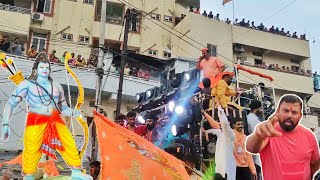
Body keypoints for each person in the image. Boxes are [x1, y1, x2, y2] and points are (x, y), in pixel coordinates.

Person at [0, 53, 91, 179]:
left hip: (55, 119)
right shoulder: (27, 85)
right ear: (36, 70)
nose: (45, 70)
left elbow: (63, 108)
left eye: (47, 68)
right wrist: (5, 124)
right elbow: (11, 104)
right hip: (36, 120)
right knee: (32, 149)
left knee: (68, 142)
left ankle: (76, 171)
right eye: (42, 67)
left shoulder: (57, 87)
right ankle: (29, 175)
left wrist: (73, 112)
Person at [246, 94, 320, 180]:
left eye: (294, 112)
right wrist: (257, 135)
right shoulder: (269, 131)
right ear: (277, 112)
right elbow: (251, 148)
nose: (289, 116)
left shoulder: (309, 136)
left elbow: (315, 164)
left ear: (300, 116)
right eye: (285, 111)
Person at [202, 107, 236, 180]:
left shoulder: (231, 134)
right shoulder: (220, 132)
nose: (219, 123)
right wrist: (205, 132)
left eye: (220, 121)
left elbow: (225, 124)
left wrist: (220, 110)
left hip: (227, 168)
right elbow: (209, 131)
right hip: (219, 168)